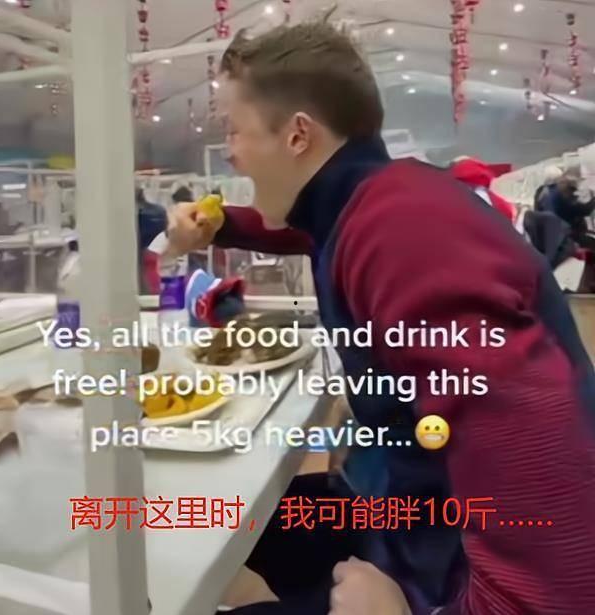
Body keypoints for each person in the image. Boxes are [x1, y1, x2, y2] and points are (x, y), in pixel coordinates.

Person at [167, 23, 595, 615]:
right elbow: (311, 224)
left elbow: (554, 519)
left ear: (297, 135)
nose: (231, 151)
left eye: (234, 129)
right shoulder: (380, 198)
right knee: (224, 527)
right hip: (414, 515)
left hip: (464, 574)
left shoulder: (404, 235)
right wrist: (224, 224)